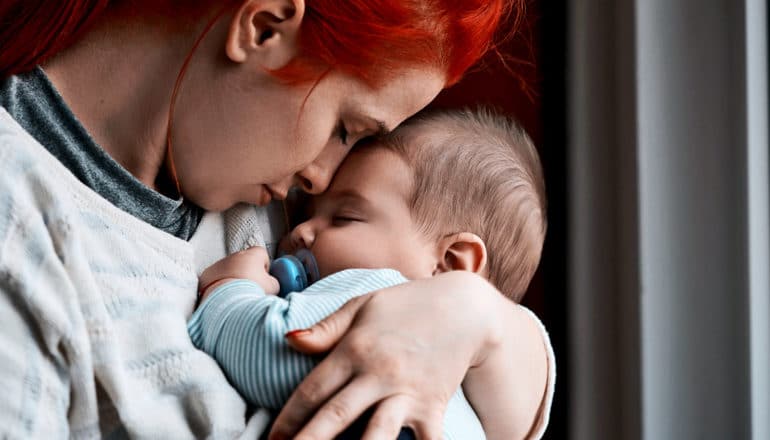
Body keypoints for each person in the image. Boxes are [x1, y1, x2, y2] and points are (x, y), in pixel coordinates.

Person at [0, 1, 552, 439]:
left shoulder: (265, 195)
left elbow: (516, 407)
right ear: (264, 27)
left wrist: (475, 313)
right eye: (345, 127)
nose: (323, 180)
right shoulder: (22, 222)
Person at [188, 107, 554, 439]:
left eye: (345, 217)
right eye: (306, 214)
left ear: (451, 265)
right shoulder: (477, 398)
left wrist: (229, 290)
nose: (300, 231)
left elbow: (267, 353)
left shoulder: (382, 294)